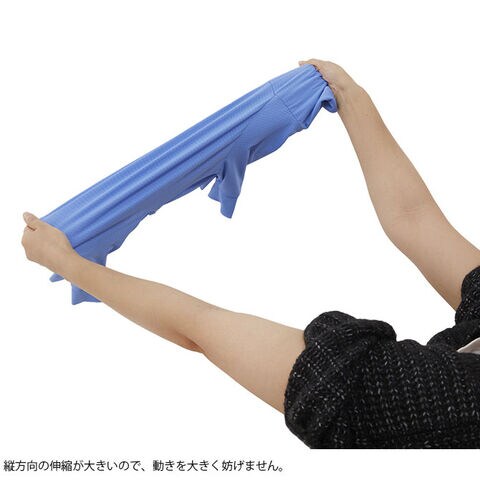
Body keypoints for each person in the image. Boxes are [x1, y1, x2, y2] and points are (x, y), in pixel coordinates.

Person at [21, 59, 480, 448]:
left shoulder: (425, 400)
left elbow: (199, 327)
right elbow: (413, 217)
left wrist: (69, 263)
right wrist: (349, 95)